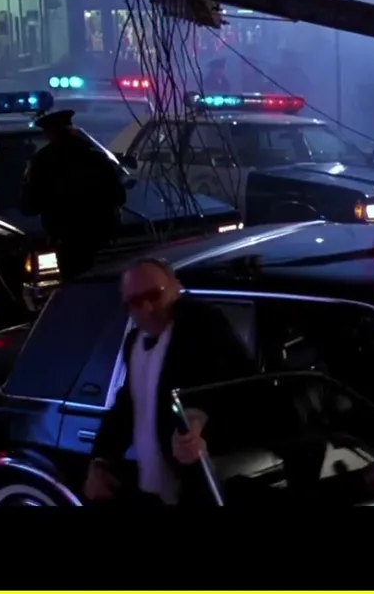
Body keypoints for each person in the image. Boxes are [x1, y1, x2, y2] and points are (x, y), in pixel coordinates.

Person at [84, 259, 256, 505]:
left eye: (154, 296)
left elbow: (228, 381)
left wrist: (196, 420)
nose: (146, 309)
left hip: (209, 480)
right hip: (154, 488)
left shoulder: (201, 325)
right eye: (135, 302)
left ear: (176, 289)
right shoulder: (134, 342)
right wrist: (100, 460)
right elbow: (129, 405)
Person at [20, 109, 127, 281]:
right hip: (102, 238)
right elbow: (119, 196)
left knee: (74, 285)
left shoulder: (43, 161)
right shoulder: (97, 157)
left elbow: (30, 204)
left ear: (50, 134)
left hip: (67, 240)